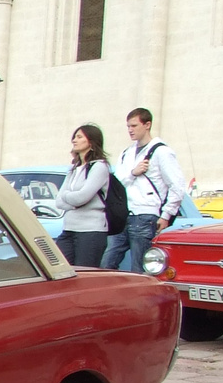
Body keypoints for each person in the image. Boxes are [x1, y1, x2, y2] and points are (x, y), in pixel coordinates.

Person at [102, 107, 188, 272]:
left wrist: (166, 215)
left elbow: (177, 185)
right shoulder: (127, 153)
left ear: (147, 125)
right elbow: (118, 184)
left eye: (134, 126)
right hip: (124, 215)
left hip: (146, 215)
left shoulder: (162, 152)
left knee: (140, 267)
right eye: (128, 126)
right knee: (107, 262)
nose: (130, 130)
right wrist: (133, 173)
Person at [53, 125, 112, 268]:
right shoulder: (74, 169)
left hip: (90, 231)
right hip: (69, 228)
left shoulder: (99, 167)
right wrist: (74, 201)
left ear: (90, 142)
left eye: (79, 137)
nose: (74, 140)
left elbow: (83, 196)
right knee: (60, 268)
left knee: (85, 272)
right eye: (74, 137)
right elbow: (59, 201)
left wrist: (71, 198)